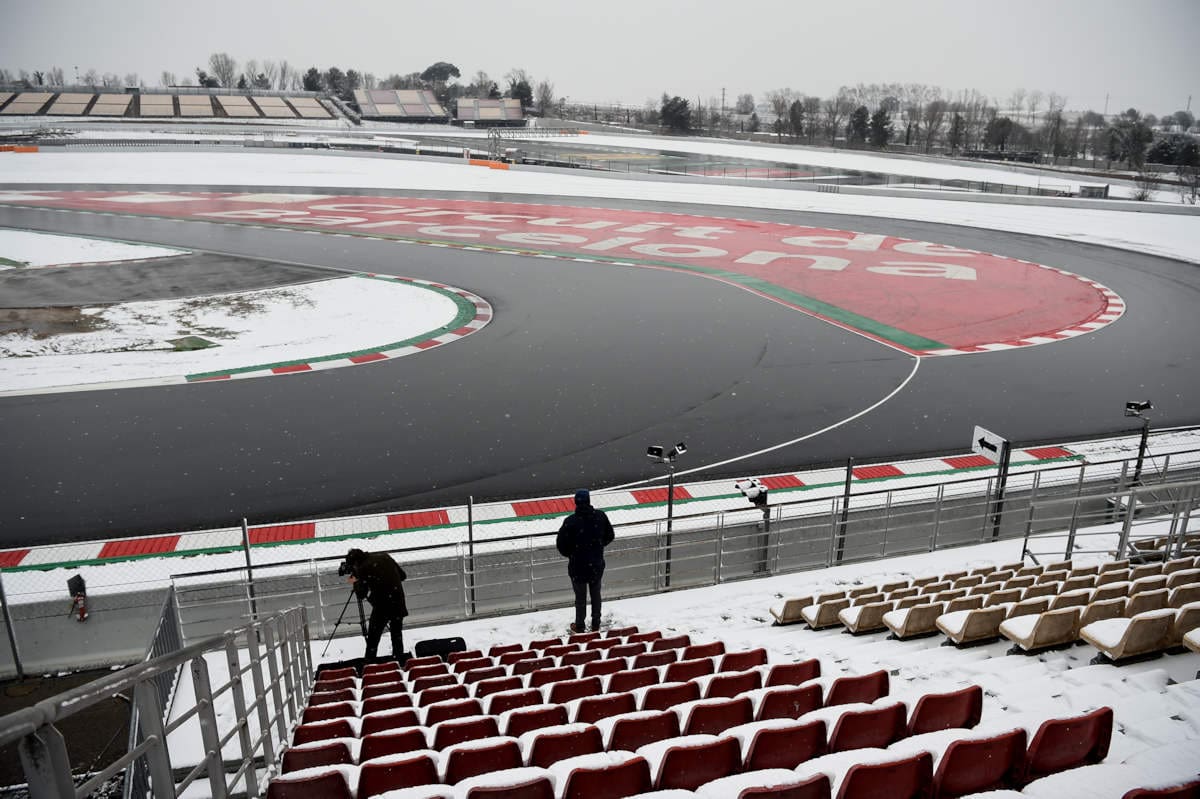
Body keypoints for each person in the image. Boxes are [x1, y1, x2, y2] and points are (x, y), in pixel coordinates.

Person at [556, 489, 615, 633]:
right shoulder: (600, 517)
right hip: (596, 565)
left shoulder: (570, 522)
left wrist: (572, 554)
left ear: (576, 503)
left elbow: (561, 545)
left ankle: (580, 626)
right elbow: (610, 535)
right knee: (596, 595)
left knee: (580, 598)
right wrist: (598, 547)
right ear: (589, 501)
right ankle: (596, 624)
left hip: (577, 567)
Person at [343, 548, 408, 659]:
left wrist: (355, 579)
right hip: (398, 601)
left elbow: (361, 593)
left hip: (382, 606)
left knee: (373, 637)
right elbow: (403, 576)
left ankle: (370, 663)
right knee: (396, 634)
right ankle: (399, 660)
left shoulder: (363, 568)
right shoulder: (385, 556)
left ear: (355, 563)